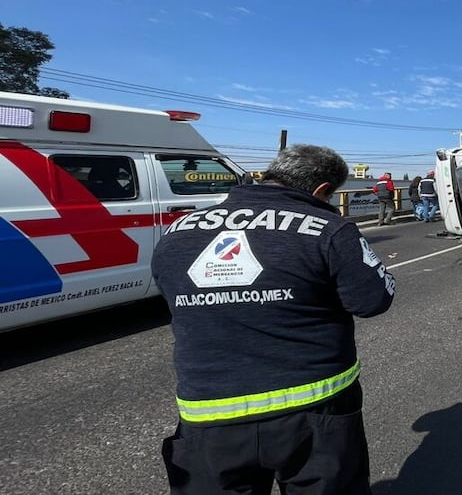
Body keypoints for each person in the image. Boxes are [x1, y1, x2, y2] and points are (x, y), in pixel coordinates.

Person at [151, 144, 395, 495]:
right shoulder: (330, 228)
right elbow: (373, 300)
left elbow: (172, 295)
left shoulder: (178, 231)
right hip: (314, 406)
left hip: (208, 411)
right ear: (322, 191)